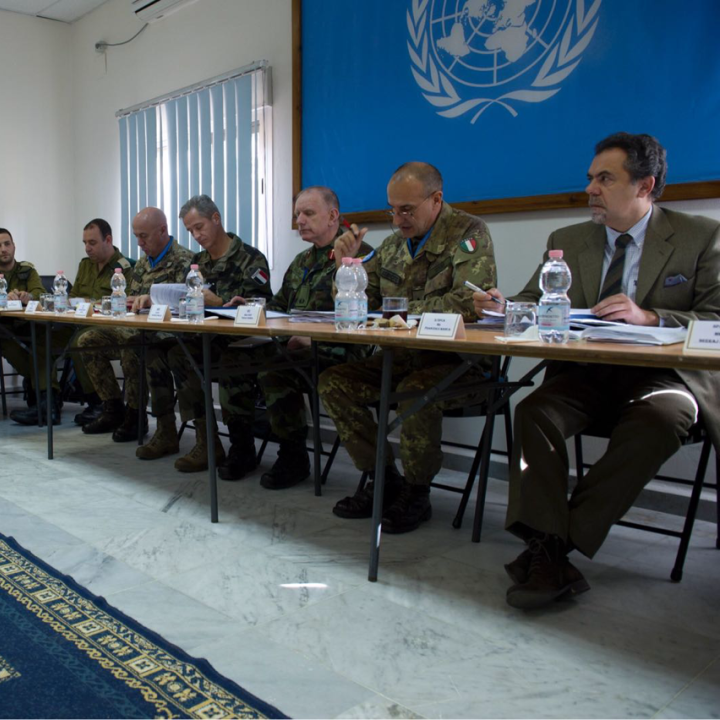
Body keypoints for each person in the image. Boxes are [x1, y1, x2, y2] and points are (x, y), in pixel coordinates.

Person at [473, 132, 720, 610]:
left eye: (605, 179)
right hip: (587, 375)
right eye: (590, 179)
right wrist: (502, 306)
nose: (591, 189)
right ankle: (552, 547)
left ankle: (551, 547)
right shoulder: (566, 241)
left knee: (661, 422)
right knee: (534, 411)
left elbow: (717, 319)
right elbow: (532, 300)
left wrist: (651, 317)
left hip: (666, 380)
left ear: (645, 185)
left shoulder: (699, 236)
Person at [318, 162, 497, 533]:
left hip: (459, 363)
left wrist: (397, 314)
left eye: (407, 210)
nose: (398, 219)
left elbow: (469, 303)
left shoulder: (469, 234)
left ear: (436, 199)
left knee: (416, 392)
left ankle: (417, 491)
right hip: (400, 357)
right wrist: (344, 268)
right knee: (333, 381)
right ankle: (384, 480)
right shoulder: (392, 245)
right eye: (392, 210)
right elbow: (358, 300)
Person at [219, 186, 373, 486]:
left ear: (333, 216)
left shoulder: (361, 259)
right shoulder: (302, 261)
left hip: (340, 350)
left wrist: (315, 339)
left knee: (276, 369)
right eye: (297, 214)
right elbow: (280, 306)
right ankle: (242, 449)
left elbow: (369, 317)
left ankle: (293, 456)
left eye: (308, 213)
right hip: (294, 346)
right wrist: (252, 306)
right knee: (234, 357)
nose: (300, 220)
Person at [140, 195, 272, 473]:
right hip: (205, 340)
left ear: (216, 218)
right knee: (168, 352)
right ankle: (204, 439)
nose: (196, 235)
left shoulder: (251, 259)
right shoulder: (198, 263)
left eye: (199, 227)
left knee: (227, 364)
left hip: (241, 344)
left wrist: (219, 303)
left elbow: (260, 311)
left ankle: (241, 448)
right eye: (190, 231)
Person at [78, 208, 193, 441]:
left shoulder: (186, 262)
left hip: (168, 334)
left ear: (162, 231)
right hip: (137, 328)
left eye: (144, 236)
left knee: (133, 346)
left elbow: (190, 305)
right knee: (88, 340)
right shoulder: (142, 264)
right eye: (136, 236)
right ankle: (112, 407)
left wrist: (154, 302)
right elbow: (131, 299)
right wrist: (130, 301)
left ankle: (135, 414)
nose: (139, 242)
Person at [8, 219, 132, 426]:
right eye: (85, 243)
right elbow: (73, 296)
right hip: (75, 321)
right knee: (43, 341)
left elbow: (125, 303)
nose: (87, 248)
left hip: (104, 325)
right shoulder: (85, 265)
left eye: (92, 243)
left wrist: (90, 302)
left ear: (108, 240)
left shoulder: (124, 268)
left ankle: (98, 403)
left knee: (80, 342)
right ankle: (49, 404)